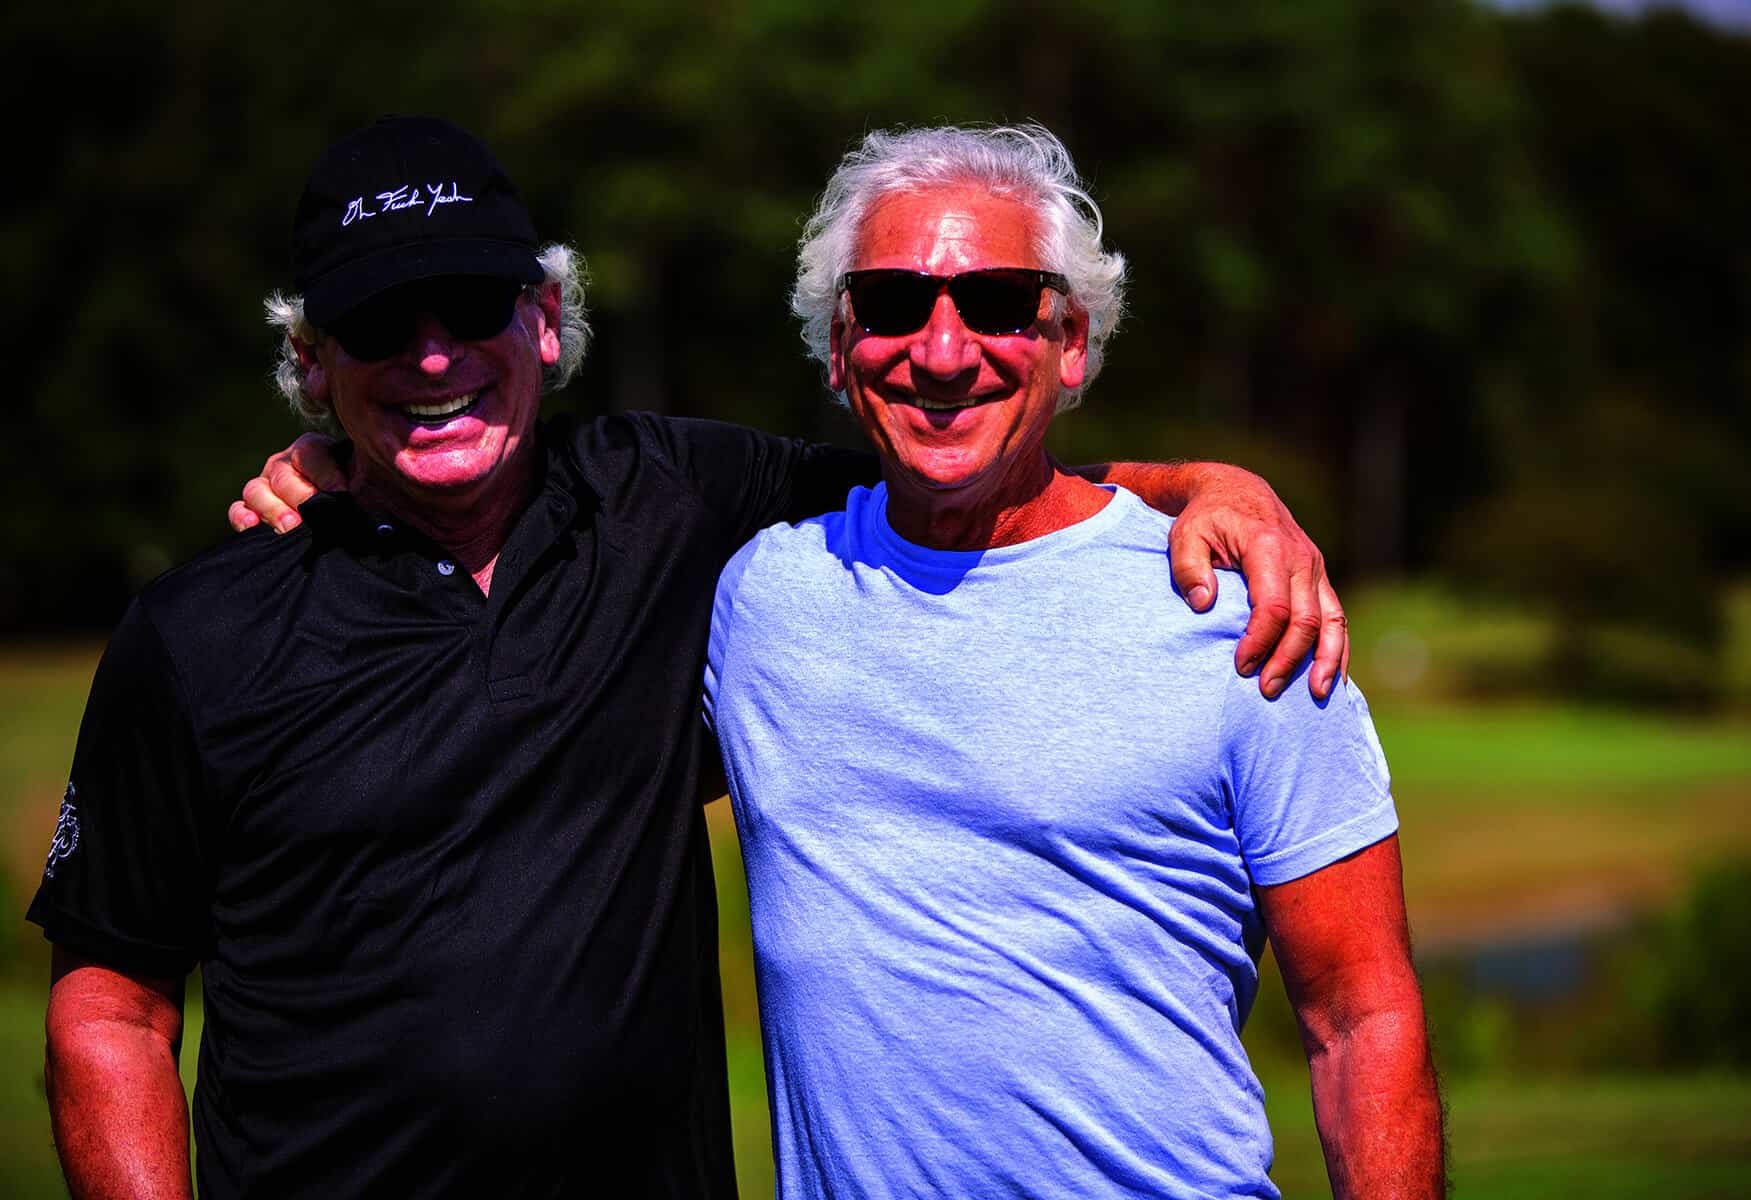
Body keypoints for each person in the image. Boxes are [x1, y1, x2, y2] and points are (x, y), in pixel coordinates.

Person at [29, 116, 1345, 1197]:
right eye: (377, 326)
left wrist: (1205, 484)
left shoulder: (675, 502)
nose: (432, 355)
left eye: (471, 305)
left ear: (546, 318)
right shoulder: (198, 633)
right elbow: (109, 1011)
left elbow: (964, 455)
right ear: (311, 363)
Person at [703, 124, 1443, 1198]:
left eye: (999, 303)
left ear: (1073, 342)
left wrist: (1208, 484)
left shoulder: (1238, 611)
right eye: (894, 303)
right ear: (837, 343)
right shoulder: (762, 599)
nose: (943, 350)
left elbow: (1360, 1016)